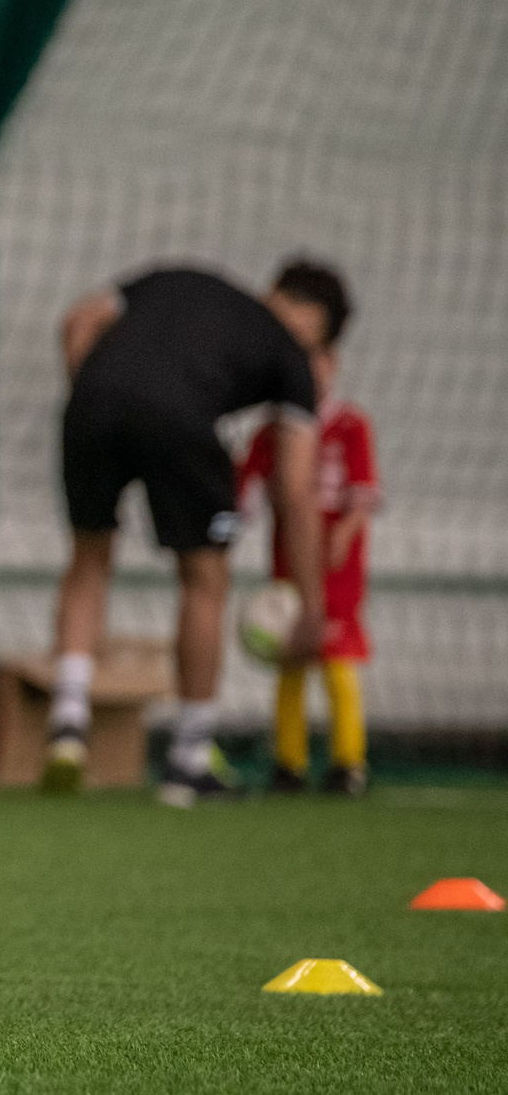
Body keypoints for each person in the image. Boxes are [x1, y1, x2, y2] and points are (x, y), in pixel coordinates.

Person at [47, 259, 338, 805]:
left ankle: (67, 728)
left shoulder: (182, 277)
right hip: (181, 421)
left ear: (273, 289)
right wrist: (314, 609)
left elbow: (78, 323)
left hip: (92, 402)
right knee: (205, 578)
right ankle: (188, 758)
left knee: (88, 558)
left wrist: (93, 396)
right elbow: (295, 494)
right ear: (321, 333)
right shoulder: (292, 359)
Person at [236, 282, 374, 795]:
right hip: (288, 568)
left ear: (332, 363)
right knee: (290, 661)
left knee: (338, 658)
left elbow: (363, 494)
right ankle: (288, 762)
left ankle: (348, 761)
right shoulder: (268, 432)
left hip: (338, 572)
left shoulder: (350, 426)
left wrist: (344, 535)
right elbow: (243, 496)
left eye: (313, 359)